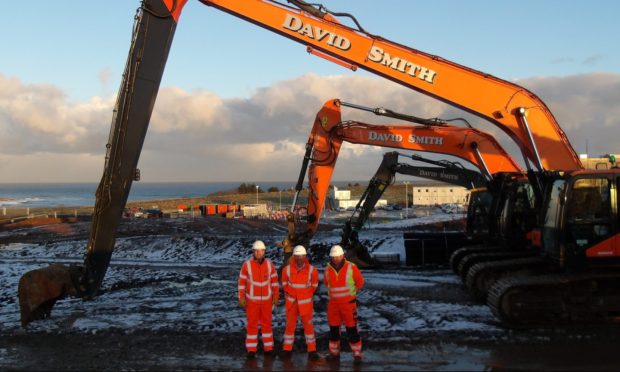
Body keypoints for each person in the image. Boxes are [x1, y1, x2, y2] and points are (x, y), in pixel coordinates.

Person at [238, 240, 279, 358]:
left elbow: (275, 282)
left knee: (267, 325)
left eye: (261, 251)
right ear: (253, 252)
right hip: (252, 302)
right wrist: (241, 297)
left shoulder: (269, 265)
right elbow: (241, 282)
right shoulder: (247, 265)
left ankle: (269, 348)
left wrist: (276, 296)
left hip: (266, 301)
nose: (259, 253)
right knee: (252, 325)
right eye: (257, 251)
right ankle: (251, 349)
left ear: (264, 252)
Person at [324, 244, 364, 362]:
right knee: (334, 331)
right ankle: (334, 353)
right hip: (333, 306)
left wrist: (351, 294)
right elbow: (327, 284)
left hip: (348, 305)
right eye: (333, 257)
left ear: (342, 255)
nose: (335, 259)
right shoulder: (328, 270)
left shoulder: (351, 267)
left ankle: (357, 354)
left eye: (338, 256)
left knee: (352, 330)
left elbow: (360, 282)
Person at [280, 245, 319, 360]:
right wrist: (294, 293)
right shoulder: (286, 270)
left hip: (305, 304)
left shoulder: (312, 270)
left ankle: (312, 350)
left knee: (309, 327)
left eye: (301, 256)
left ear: (305, 256)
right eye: (297, 256)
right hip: (292, 303)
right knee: (290, 327)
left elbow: (314, 285)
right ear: (294, 256)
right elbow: (284, 284)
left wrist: (304, 294)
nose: (299, 258)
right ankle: (287, 349)